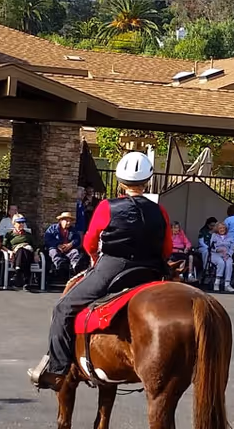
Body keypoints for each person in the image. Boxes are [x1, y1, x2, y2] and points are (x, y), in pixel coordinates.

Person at [29, 151, 172, 388]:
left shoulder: (107, 207)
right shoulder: (160, 210)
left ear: (120, 181)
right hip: (151, 272)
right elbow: (167, 248)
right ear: (147, 181)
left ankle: (57, 369)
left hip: (113, 269)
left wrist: (96, 258)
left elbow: (89, 243)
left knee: (62, 308)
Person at [43, 211, 86, 283]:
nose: (68, 223)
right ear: (61, 221)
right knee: (53, 251)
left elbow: (77, 239)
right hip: (56, 248)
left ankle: (75, 266)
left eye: (70, 221)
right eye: (66, 221)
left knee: (75, 252)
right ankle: (60, 265)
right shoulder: (52, 228)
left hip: (68, 249)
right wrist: (57, 245)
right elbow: (48, 239)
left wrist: (70, 244)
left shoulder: (73, 230)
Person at [3, 214, 39, 289]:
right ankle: (26, 281)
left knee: (23, 250)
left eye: (23, 222)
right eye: (19, 222)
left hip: (28, 253)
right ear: (14, 223)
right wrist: (9, 252)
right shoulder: (10, 234)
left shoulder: (28, 235)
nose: (21, 224)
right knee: (21, 251)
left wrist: (36, 254)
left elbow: (36, 246)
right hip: (15, 254)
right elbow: (3, 246)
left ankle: (17, 272)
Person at [208, 222, 234, 292]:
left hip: (226, 254)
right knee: (221, 263)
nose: (222, 229)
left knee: (229, 263)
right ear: (217, 229)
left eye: (223, 228)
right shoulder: (214, 235)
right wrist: (217, 250)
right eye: (220, 228)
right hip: (216, 254)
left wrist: (228, 255)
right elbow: (211, 247)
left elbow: (232, 248)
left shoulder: (230, 236)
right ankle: (217, 283)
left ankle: (227, 284)